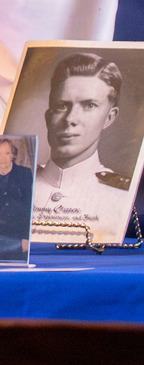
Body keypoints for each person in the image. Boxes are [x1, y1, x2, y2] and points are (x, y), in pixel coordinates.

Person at [34, 52, 136, 240]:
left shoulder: (121, 197)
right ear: (48, 117)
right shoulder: (19, 185)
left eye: (89, 105)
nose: (70, 119)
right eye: (62, 106)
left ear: (109, 117)